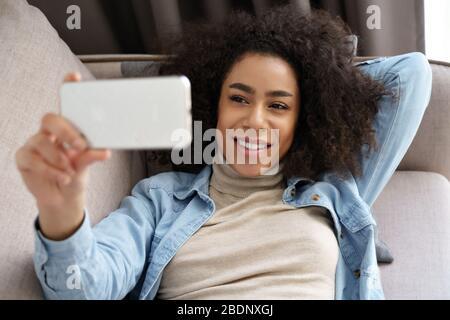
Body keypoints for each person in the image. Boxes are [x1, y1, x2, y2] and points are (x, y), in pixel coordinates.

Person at [15, 5, 432, 299]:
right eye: (238, 98)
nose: (255, 120)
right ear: (211, 105)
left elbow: (410, 74)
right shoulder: (159, 199)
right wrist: (63, 211)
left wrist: (326, 77)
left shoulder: (333, 191)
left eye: (279, 106)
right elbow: (83, 288)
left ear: (301, 121)